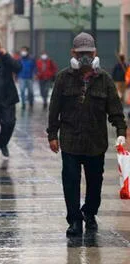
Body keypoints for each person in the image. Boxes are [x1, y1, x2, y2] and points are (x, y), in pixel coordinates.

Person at [47, 32, 127, 237]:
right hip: (71, 141)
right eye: (81, 53)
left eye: (88, 53)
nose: (85, 57)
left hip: (95, 143)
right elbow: (54, 108)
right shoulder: (63, 78)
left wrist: (121, 132)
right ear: (73, 53)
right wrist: (52, 135)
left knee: (95, 184)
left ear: (95, 53)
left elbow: (115, 109)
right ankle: (74, 220)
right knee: (70, 181)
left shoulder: (104, 79)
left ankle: (89, 213)